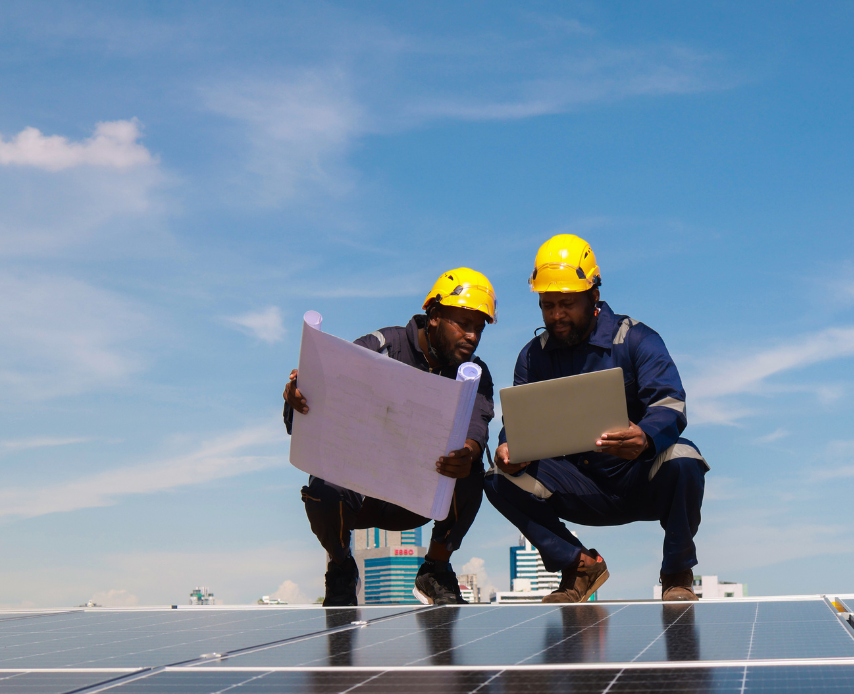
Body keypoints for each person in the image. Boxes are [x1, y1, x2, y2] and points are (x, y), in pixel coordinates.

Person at [484, 235, 708, 604]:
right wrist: (510, 448)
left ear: (594, 296)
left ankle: (677, 573)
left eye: (567, 304)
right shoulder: (532, 358)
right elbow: (518, 423)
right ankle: (580, 566)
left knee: (684, 458)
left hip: (640, 478)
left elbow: (671, 404)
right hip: (577, 486)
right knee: (496, 478)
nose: (556, 315)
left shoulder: (636, 339)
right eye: (547, 305)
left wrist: (646, 437)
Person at [284, 268, 496, 606]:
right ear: (435, 316)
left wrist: (468, 451)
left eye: (479, 329)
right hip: (361, 494)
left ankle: (435, 570)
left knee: (471, 472)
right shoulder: (383, 346)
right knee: (321, 487)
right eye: (463, 324)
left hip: (417, 499)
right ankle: (341, 568)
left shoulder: (474, 375)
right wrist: (299, 396)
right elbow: (328, 393)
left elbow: (478, 423)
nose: (472, 336)